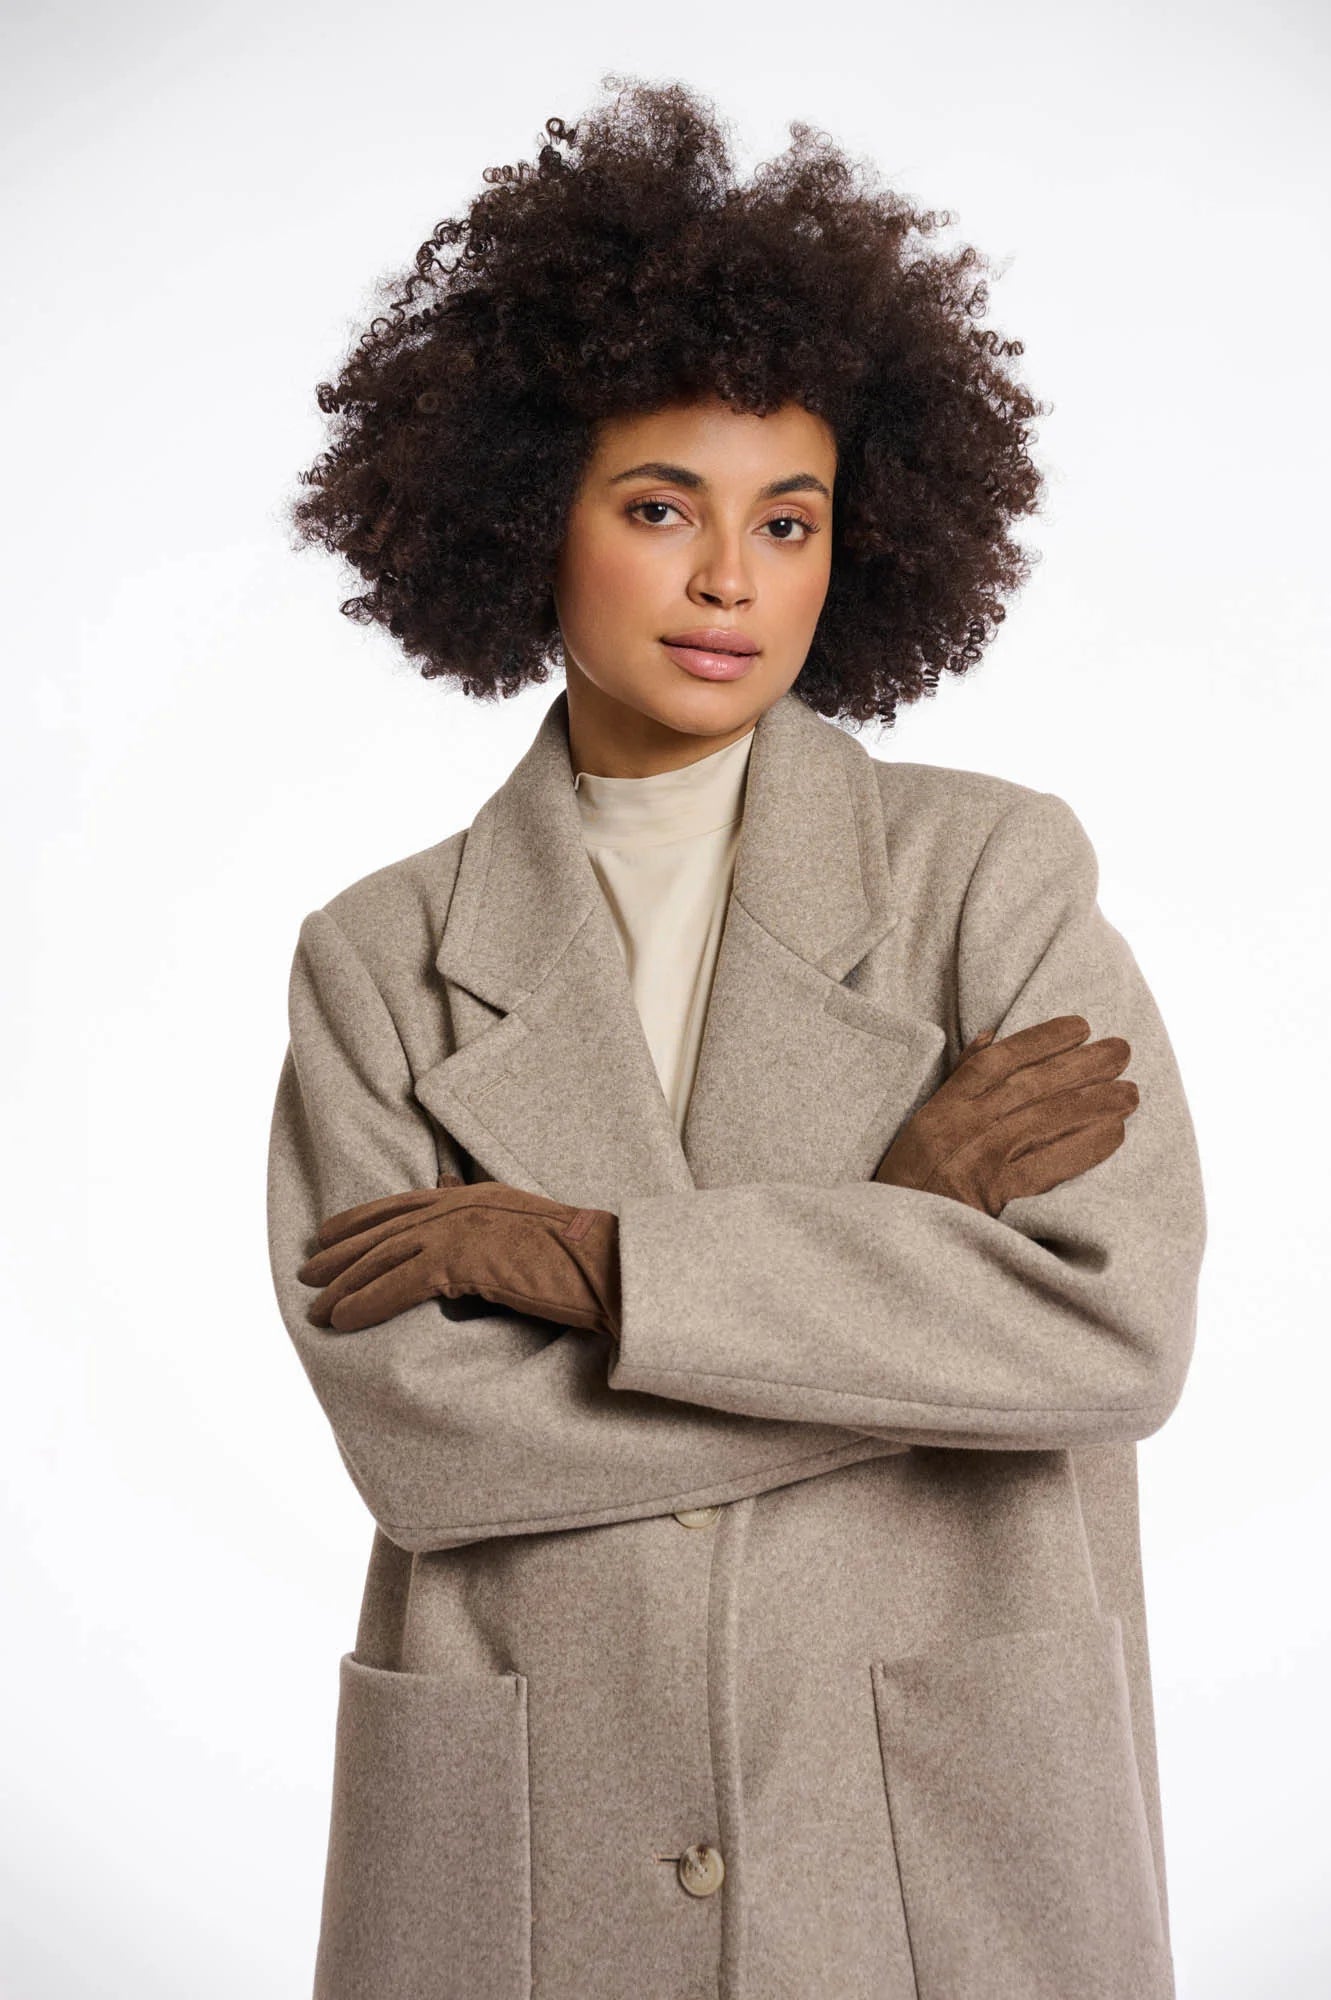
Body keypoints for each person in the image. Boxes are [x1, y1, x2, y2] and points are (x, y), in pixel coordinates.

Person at [266, 75, 1206, 2000]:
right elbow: (431, 1453)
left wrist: (592, 1264)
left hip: (931, 1829)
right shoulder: (376, 958)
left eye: (791, 520)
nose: (730, 580)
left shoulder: (989, 878)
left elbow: (1112, 1328)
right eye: (660, 507)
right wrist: (900, 1234)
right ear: (537, 521)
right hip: (541, 1842)